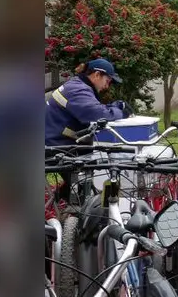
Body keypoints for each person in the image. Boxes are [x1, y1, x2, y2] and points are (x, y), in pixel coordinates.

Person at [45, 58, 132, 202]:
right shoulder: (78, 90)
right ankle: (75, 208)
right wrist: (122, 113)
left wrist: (114, 106)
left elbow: (94, 108)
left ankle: (62, 203)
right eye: (108, 81)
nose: (107, 86)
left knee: (86, 172)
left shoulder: (78, 86)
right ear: (97, 75)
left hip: (56, 142)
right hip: (55, 147)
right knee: (84, 180)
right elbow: (96, 114)